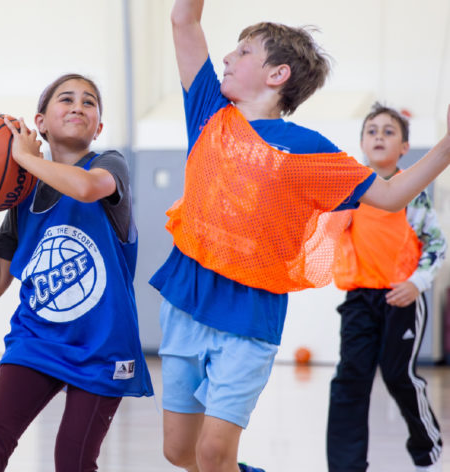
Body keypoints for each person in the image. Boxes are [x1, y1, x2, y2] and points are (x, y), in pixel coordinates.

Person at [149, 1, 450, 471]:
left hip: (250, 317)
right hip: (186, 300)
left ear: (277, 74)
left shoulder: (309, 149)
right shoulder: (209, 110)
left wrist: (447, 146)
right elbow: (183, 18)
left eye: (243, 51)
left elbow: (390, 197)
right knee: (178, 452)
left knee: (212, 454)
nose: (226, 57)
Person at [0, 73, 154, 472]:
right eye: (66, 99)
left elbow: (85, 189)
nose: (78, 106)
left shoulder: (109, 164)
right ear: (41, 123)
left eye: (89, 102)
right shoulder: (22, 196)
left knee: (73, 460)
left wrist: (27, 158)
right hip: (37, 339)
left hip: (101, 345)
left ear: (98, 126)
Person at [327, 102, 446, 472]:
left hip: (402, 297)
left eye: (389, 131)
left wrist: (416, 283)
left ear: (404, 148)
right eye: (372, 130)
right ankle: (346, 465)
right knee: (350, 377)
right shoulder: (350, 189)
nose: (379, 135)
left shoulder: (414, 192)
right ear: (362, 142)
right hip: (359, 298)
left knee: (397, 375)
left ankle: (427, 441)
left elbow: (437, 245)